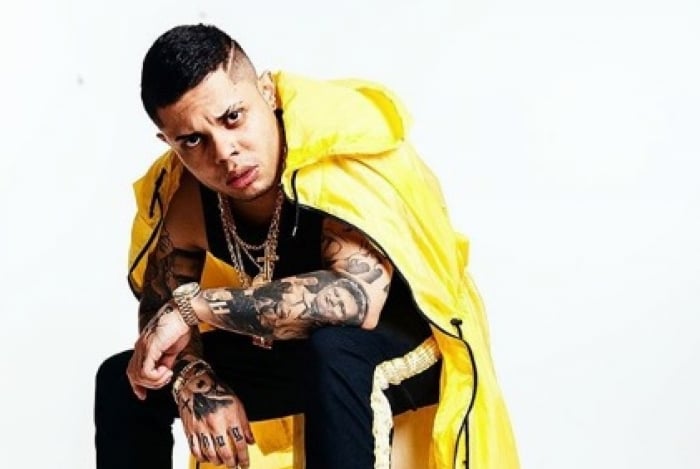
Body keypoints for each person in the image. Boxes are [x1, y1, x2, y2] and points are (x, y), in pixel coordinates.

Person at [93, 23, 519, 469]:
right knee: (126, 382)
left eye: (233, 117)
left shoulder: (329, 151)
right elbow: (160, 311)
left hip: (408, 341)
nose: (224, 153)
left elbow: (357, 299)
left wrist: (193, 307)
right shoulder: (186, 198)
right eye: (193, 140)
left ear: (266, 92)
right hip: (295, 351)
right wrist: (193, 381)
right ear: (169, 142)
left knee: (334, 351)